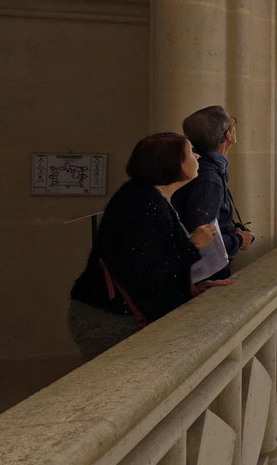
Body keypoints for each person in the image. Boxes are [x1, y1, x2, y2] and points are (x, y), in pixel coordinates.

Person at [68, 133, 226, 357]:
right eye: (190, 152)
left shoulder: (149, 196)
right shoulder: (141, 204)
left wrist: (193, 289)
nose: (198, 156)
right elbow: (142, 272)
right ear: (172, 163)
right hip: (111, 319)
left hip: (119, 315)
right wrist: (193, 245)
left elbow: (154, 263)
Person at [172, 105, 253, 280]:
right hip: (208, 277)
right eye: (232, 122)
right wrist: (238, 240)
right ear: (227, 135)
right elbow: (201, 238)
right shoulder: (208, 177)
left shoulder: (205, 169)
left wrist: (233, 230)